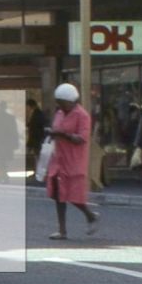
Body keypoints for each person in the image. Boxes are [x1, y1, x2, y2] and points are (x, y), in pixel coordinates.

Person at [45, 82, 100, 239]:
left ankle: (90, 215)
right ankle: (62, 230)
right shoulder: (60, 113)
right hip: (58, 158)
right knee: (57, 194)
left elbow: (81, 138)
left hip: (74, 160)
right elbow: (56, 129)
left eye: (61, 102)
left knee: (73, 195)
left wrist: (61, 134)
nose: (59, 106)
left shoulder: (82, 115)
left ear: (70, 101)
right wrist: (52, 133)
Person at [25, 97, 48, 179]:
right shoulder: (35, 114)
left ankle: (38, 172)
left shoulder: (36, 115)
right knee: (37, 156)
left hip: (37, 140)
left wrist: (29, 143)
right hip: (37, 139)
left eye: (27, 106)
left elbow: (34, 130)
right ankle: (37, 171)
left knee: (38, 157)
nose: (26, 108)